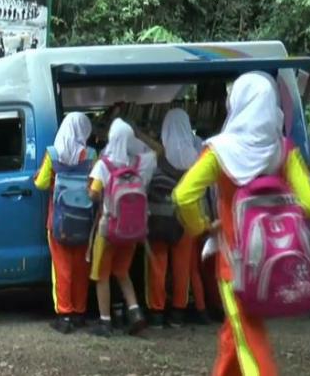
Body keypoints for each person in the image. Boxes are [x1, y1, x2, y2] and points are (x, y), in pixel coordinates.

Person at [174, 72, 310, 376]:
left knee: (249, 339)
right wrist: (279, 210)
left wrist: (201, 225)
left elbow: (183, 195)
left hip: (234, 264)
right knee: (235, 332)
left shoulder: (220, 151)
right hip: (273, 259)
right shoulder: (283, 149)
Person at [88, 118, 157, 337]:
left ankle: (105, 321)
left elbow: (93, 194)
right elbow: (157, 152)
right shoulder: (140, 162)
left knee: (102, 274)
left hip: (108, 228)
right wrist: (139, 135)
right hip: (132, 229)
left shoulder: (104, 164)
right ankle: (136, 314)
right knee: (122, 272)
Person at [144, 109, 208, 328]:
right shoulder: (198, 157)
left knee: (157, 265)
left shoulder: (156, 155)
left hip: (159, 217)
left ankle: (156, 313)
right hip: (186, 218)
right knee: (182, 267)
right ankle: (178, 313)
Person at [34, 113, 95, 333]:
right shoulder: (90, 154)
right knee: (81, 268)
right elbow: (95, 184)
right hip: (84, 221)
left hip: (58, 221)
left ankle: (64, 315)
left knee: (62, 268)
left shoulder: (53, 153)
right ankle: (79, 313)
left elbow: (41, 183)